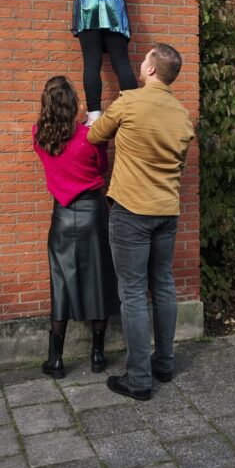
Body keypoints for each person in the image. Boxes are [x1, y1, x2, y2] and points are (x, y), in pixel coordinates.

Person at [87, 44, 194, 400]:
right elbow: (177, 164)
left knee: (132, 292)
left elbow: (94, 135)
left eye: (144, 60)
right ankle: (164, 364)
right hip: (167, 210)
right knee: (163, 284)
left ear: (151, 70)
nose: (140, 64)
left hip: (132, 211)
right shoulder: (182, 115)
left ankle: (138, 379)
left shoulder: (130, 102)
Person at [33, 76, 120, 378]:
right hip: (93, 214)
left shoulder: (39, 136)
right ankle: (97, 355)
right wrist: (86, 129)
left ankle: (56, 360)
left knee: (61, 284)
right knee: (99, 280)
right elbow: (101, 169)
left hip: (61, 216)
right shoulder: (91, 136)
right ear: (74, 104)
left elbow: (58, 146)